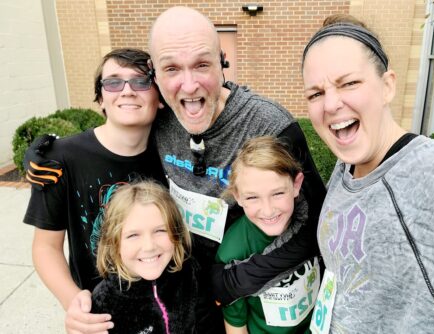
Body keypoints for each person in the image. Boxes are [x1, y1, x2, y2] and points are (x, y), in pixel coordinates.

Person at [25, 6, 326, 332]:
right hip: (162, 299)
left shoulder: (269, 124)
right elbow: (120, 124)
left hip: (245, 301)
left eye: (201, 64)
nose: (188, 84)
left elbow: (316, 222)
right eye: (172, 69)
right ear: (158, 77)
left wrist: (234, 280)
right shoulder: (162, 119)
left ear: (222, 62)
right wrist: (49, 148)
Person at [301, 20, 434, 333]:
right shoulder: (345, 167)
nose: (331, 103)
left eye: (349, 83)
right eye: (315, 93)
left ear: (388, 85)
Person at [23, 48, 166, 333]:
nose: (126, 91)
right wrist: (73, 301)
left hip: (167, 308)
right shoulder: (60, 159)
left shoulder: (173, 153)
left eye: (141, 81)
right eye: (113, 82)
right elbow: (45, 247)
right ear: (101, 98)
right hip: (101, 317)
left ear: (160, 97)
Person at [215, 136, 320, 334]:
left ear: (296, 185)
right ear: (238, 196)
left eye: (278, 193)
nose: (268, 210)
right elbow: (236, 327)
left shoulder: (315, 221)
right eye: (253, 197)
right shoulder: (233, 251)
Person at [91, 180, 214, 333]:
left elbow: (208, 324)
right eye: (133, 235)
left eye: (160, 231)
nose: (149, 246)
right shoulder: (103, 301)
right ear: (114, 243)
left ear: (176, 232)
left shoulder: (191, 274)